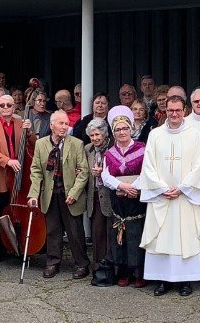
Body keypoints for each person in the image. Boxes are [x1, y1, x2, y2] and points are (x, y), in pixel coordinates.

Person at [137, 94, 200, 297]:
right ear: (165, 111)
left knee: (184, 237)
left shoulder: (195, 134)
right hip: (162, 196)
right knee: (162, 238)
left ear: (184, 110)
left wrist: (183, 188)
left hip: (185, 196)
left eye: (178, 110)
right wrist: (160, 188)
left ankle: (185, 281)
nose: (174, 114)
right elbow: (148, 165)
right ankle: (162, 280)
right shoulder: (156, 134)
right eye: (170, 110)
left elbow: (199, 165)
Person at [27, 110, 90, 280]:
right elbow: (36, 171)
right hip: (50, 192)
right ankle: (53, 262)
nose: (64, 127)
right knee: (53, 230)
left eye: (66, 123)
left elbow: (84, 171)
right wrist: (33, 194)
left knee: (75, 231)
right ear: (51, 125)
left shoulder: (76, 144)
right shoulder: (41, 144)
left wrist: (75, 193)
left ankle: (81, 264)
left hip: (69, 193)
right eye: (61, 123)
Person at [0, 94, 35, 262]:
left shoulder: (21, 123)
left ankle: (19, 246)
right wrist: (8, 161)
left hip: (20, 175)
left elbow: (32, 145)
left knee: (20, 212)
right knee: (0, 214)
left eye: (8, 105)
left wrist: (30, 132)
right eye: (1, 105)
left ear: (13, 107)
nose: (5, 108)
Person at [102, 107, 147, 286]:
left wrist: (133, 187)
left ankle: (139, 273)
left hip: (136, 200)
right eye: (118, 129)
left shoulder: (142, 149)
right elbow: (105, 176)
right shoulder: (109, 153)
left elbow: (147, 172)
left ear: (130, 129)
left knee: (136, 235)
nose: (122, 132)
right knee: (121, 237)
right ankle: (124, 272)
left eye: (125, 128)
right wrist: (122, 186)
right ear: (113, 132)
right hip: (119, 201)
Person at [83, 119, 114, 286]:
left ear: (105, 134)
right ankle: (97, 269)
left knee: (111, 235)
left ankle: (111, 270)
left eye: (97, 134)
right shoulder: (87, 150)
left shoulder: (113, 149)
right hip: (93, 197)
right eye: (92, 135)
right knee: (97, 235)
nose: (95, 138)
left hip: (110, 197)